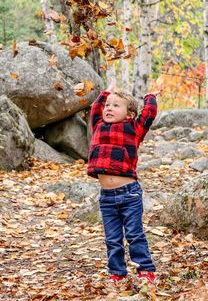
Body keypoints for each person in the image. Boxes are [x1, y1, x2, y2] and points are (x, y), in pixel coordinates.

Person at [84, 80, 158, 283]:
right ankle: (117, 272)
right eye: (108, 105)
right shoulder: (98, 126)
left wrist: (150, 96)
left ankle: (145, 269)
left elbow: (148, 115)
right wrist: (105, 92)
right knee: (112, 239)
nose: (109, 108)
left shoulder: (133, 128)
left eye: (116, 105)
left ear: (129, 114)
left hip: (129, 194)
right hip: (106, 197)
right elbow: (95, 110)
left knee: (134, 234)